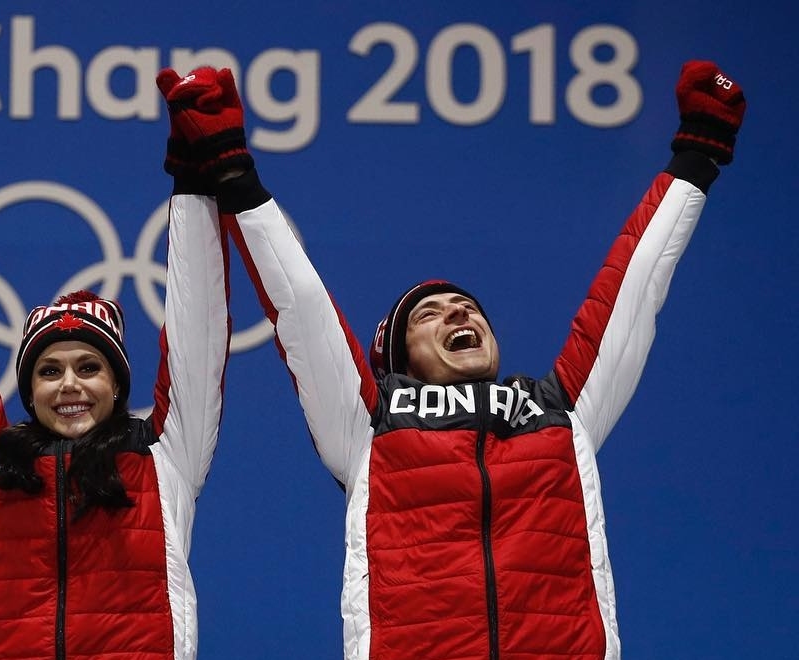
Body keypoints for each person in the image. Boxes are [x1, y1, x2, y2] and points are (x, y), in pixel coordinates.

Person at [156, 61, 745, 659]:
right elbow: (301, 305)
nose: (460, 315)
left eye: (467, 307)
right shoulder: (369, 425)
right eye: (430, 315)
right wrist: (235, 174)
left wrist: (695, 158)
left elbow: (633, 287)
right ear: (396, 359)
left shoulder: (562, 414)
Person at [0, 64, 231, 660]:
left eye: (89, 367)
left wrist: (194, 182)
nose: (69, 385)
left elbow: (198, 326)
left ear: (116, 382)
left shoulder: (166, 457)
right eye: (49, 371)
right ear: (29, 390)